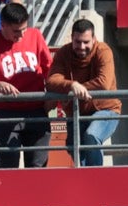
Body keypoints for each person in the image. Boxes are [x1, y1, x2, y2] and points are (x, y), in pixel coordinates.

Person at [0, 0, 52, 168]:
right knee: (9, 168)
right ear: (3, 25)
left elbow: (50, 70)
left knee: (38, 168)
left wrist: (52, 100)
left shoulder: (36, 35)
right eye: (17, 31)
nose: (22, 35)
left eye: (24, 29)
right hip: (6, 113)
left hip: (37, 110)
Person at [44, 18, 119, 167]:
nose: (82, 46)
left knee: (91, 136)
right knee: (73, 145)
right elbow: (52, 81)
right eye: (77, 42)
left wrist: (76, 89)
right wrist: (72, 85)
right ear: (72, 38)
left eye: (86, 42)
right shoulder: (63, 53)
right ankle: (85, 180)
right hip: (77, 112)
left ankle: (96, 178)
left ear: (94, 39)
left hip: (106, 110)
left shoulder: (103, 51)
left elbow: (103, 83)